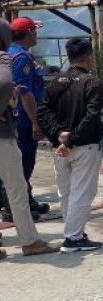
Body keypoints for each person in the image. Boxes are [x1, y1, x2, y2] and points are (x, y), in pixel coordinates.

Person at [37, 38, 103, 252]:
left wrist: (59, 135)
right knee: (82, 193)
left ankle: (73, 231)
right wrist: (72, 140)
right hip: (84, 146)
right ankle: (73, 237)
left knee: (66, 191)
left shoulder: (56, 82)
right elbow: (92, 116)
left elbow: (43, 112)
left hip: (60, 147)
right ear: (89, 57)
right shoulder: (92, 83)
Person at [0, 18, 59, 258]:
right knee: (17, 187)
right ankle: (30, 241)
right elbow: (7, 85)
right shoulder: (9, 56)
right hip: (7, 132)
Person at [4, 17, 49, 220]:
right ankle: (12, 207)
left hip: (17, 117)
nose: (37, 35)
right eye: (35, 31)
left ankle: (26, 199)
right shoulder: (21, 58)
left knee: (21, 162)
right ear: (28, 33)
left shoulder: (12, 54)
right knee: (24, 163)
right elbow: (26, 93)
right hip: (23, 118)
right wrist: (35, 122)